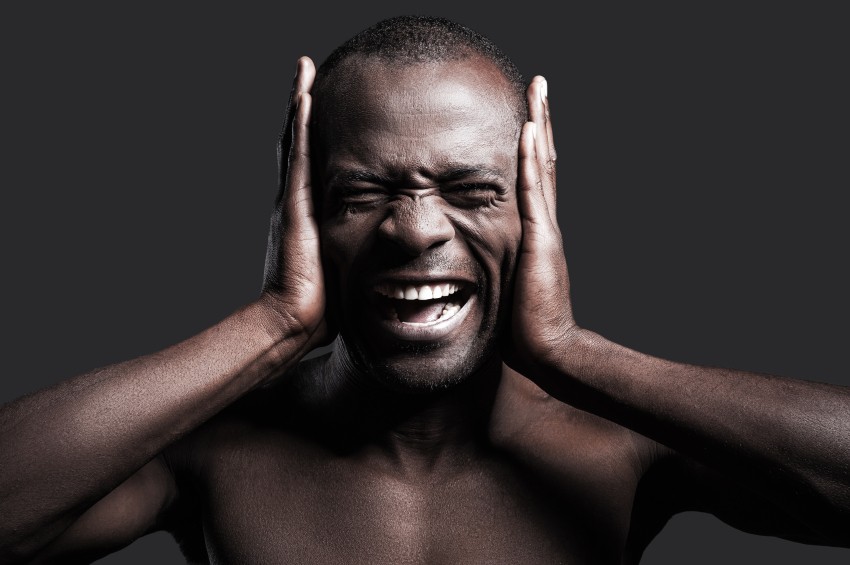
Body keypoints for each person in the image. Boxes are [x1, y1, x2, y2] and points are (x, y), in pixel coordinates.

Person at [1, 15, 848, 564]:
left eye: (474, 190)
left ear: (536, 207)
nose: (414, 230)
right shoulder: (213, 448)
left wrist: (570, 353)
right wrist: (274, 324)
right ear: (301, 210)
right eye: (362, 194)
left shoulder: (625, 443)